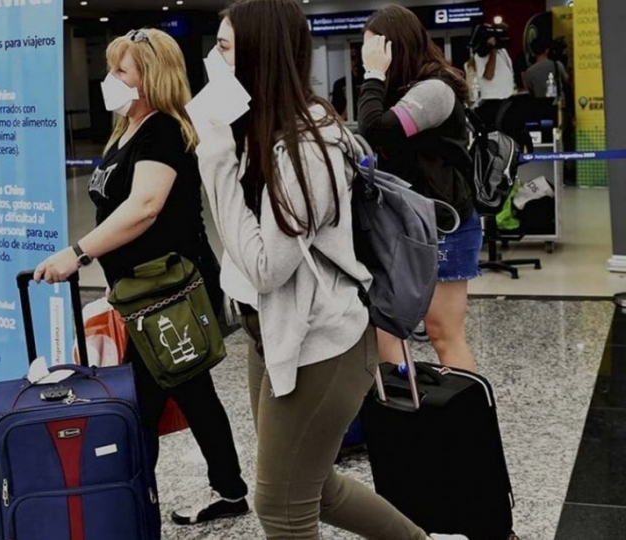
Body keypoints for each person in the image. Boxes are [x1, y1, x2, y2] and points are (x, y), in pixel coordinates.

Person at [195, 1, 467, 539]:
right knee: (312, 487)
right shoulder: (259, 127)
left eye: (223, 47)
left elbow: (268, 266)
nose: (212, 60)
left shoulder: (306, 145)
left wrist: (216, 160)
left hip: (319, 343)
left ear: (259, 54)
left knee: (281, 507)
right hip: (273, 331)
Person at [32, 28, 249, 528]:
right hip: (144, 290)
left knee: (148, 399)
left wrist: (78, 253)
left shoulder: (163, 130)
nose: (110, 78)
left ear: (149, 78)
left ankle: (132, 503)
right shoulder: (127, 129)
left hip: (171, 291)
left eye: (121, 71)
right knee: (187, 391)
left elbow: (145, 206)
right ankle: (207, 492)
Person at [357, 4, 479, 373]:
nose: (367, 55)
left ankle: (465, 406)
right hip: (405, 224)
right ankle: (408, 402)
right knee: (385, 329)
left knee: (443, 333)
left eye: (374, 47)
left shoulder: (435, 90)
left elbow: (375, 129)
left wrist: (373, 74)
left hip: (444, 224)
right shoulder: (399, 90)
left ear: (395, 47)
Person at [473, 29, 515, 129]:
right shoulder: (480, 55)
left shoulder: (503, 51)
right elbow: (489, 75)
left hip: (507, 99)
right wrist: (493, 51)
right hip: (492, 101)